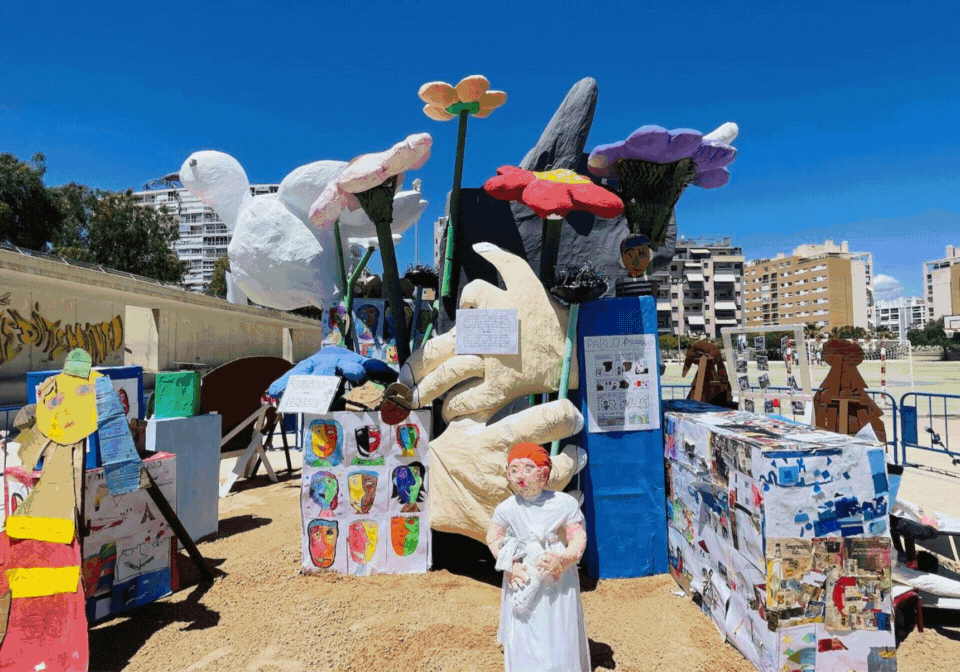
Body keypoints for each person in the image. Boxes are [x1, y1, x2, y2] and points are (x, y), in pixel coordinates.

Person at [486, 443, 590, 672]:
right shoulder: (507, 508)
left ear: (544, 473)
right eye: (513, 470)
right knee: (525, 620)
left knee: (556, 622)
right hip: (522, 569)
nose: (520, 476)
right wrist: (511, 565)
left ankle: (558, 663)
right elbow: (493, 537)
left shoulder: (564, 503)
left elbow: (577, 536)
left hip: (554, 571)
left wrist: (563, 560)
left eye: (527, 468)